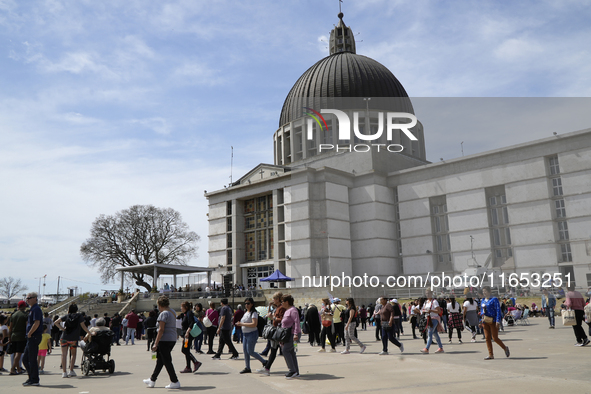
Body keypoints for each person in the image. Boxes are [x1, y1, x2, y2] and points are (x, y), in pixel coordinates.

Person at [143, 296, 181, 389]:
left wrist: (156, 343)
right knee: (161, 360)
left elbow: (161, 329)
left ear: (159, 305)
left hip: (164, 340)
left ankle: (174, 381)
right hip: (172, 338)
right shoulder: (173, 311)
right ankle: (152, 379)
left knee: (167, 361)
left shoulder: (163, 314)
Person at [55, 303, 91, 378]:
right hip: (73, 338)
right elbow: (83, 326)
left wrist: (62, 329)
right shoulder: (79, 316)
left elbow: (56, 322)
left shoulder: (67, 316)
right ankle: (71, 370)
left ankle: (64, 372)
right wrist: (89, 333)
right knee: (73, 354)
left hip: (64, 337)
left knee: (64, 354)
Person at [256, 292, 285, 376]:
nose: (273, 300)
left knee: (277, 350)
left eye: (274, 299)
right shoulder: (278, 307)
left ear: (278, 299)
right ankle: (267, 368)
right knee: (274, 350)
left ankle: (267, 368)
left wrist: (273, 318)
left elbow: (281, 319)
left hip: (277, 331)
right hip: (275, 331)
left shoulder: (281, 308)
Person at [235, 297, 266, 374]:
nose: (246, 305)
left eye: (248, 303)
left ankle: (264, 362)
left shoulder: (254, 313)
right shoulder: (246, 313)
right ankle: (247, 367)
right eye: (245, 303)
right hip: (245, 334)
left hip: (252, 334)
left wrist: (241, 324)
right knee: (245, 352)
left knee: (250, 351)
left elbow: (254, 324)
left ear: (252, 304)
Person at [480, 286, 510, 360]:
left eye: (485, 291)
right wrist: (481, 319)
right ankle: (491, 354)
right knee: (487, 338)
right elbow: (481, 311)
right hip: (485, 320)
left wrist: (497, 321)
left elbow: (498, 310)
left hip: (493, 321)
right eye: (483, 291)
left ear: (489, 291)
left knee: (495, 338)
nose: (484, 293)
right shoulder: (483, 300)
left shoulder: (494, 299)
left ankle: (505, 348)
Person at [22, 292, 43, 386]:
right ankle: (31, 377)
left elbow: (37, 323)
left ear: (35, 298)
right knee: (26, 359)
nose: (28, 299)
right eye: (27, 298)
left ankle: (34, 379)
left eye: (29, 298)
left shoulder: (36, 309)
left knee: (31, 358)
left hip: (34, 336)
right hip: (31, 337)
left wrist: (30, 333)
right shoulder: (32, 309)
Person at [280, 294, 301, 379]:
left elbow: (297, 322)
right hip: (287, 334)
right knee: (291, 352)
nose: (281, 303)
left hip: (292, 334)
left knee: (285, 350)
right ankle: (296, 371)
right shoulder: (287, 310)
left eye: (282, 301)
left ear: (287, 302)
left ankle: (292, 370)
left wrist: (296, 334)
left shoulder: (293, 310)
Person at [180, 301, 202, 373]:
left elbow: (191, 323)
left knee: (184, 350)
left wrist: (187, 332)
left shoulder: (189, 313)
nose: (181, 308)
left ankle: (196, 362)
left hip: (188, 336)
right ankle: (188, 367)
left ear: (185, 307)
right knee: (186, 350)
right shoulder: (185, 314)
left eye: (182, 307)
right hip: (186, 336)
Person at [420, 290, 443, 354]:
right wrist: (424, 311)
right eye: (426, 293)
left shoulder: (434, 301)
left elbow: (438, 311)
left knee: (430, 333)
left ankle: (427, 348)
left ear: (431, 293)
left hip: (434, 319)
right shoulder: (426, 302)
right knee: (435, 333)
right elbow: (423, 310)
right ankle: (440, 348)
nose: (427, 295)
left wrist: (431, 310)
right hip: (428, 319)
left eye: (428, 293)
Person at [8, 300, 28, 375]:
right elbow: (27, 326)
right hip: (21, 336)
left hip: (14, 335)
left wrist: (9, 336)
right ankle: (13, 369)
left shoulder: (13, 315)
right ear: (24, 306)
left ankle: (18, 369)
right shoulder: (25, 315)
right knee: (18, 353)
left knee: (15, 352)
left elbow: (11, 327)